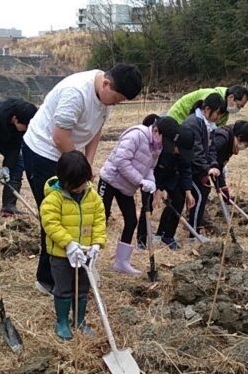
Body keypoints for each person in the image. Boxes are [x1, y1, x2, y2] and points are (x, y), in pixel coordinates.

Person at [22, 64, 143, 294]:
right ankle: (47, 279)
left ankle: (73, 271)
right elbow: (59, 137)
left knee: (76, 211)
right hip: (43, 152)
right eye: (116, 98)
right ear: (106, 84)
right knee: (54, 213)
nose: (115, 104)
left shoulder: (105, 97)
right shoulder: (76, 93)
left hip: (69, 155)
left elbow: (96, 129)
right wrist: (79, 169)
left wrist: (88, 162)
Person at [98, 114, 179, 274]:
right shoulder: (136, 135)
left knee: (131, 220)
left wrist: (152, 182)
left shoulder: (158, 146)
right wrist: (141, 181)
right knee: (101, 218)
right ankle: (88, 260)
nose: (164, 145)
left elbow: (150, 167)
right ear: (156, 131)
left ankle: (121, 262)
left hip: (126, 186)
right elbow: (121, 161)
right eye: (165, 141)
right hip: (110, 180)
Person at [40, 151, 107, 340]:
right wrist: (68, 244)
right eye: (76, 185)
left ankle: (79, 321)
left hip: (85, 254)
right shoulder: (53, 199)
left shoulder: (92, 197)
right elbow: (51, 224)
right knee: (63, 289)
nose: (81, 188)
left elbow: (99, 220)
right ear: (65, 182)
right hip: (62, 255)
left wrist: (96, 244)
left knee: (83, 288)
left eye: (83, 182)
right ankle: (62, 321)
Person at [180, 93, 226, 235]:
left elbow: (211, 149)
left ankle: (195, 228)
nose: (218, 118)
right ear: (206, 109)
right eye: (217, 113)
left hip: (199, 169)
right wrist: (206, 169)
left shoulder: (209, 124)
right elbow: (196, 151)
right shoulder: (193, 123)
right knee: (198, 195)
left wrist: (213, 165)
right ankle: (194, 233)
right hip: (187, 169)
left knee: (203, 193)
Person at [0, 97, 38, 216]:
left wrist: (7, 168)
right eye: (26, 126)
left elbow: (14, 148)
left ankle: (9, 206)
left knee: (17, 163)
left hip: (5, 134)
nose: (27, 129)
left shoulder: (20, 126)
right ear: (15, 119)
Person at [151, 129, 197, 250]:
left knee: (178, 200)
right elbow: (159, 170)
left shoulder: (184, 152)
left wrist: (188, 191)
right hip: (157, 176)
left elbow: (186, 169)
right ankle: (156, 234)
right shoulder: (165, 150)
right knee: (151, 204)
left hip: (172, 176)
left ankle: (169, 236)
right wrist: (159, 189)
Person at [209, 119, 248, 203]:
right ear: (240, 137)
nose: (246, 147)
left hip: (202, 165)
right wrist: (213, 167)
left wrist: (223, 188)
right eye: (247, 144)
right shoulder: (222, 138)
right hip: (194, 165)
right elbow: (209, 153)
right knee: (202, 190)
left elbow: (218, 165)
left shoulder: (231, 143)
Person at [167, 85, 248, 128]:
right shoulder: (211, 97)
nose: (238, 109)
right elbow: (200, 124)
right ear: (231, 98)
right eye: (239, 106)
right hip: (178, 117)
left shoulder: (225, 112)